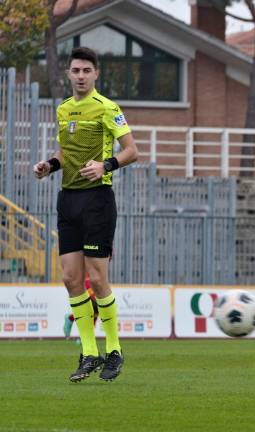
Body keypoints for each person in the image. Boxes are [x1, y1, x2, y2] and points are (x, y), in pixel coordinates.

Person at [34, 46, 138, 382]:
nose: (80, 76)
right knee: (70, 279)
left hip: (97, 200)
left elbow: (132, 151)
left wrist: (106, 165)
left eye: (86, 71)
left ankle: (114, 350)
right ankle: (89, 353)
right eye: (75, 71)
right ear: (68, 73)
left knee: (97, 277)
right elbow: (65, 152)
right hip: (68, 200)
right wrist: (49, 165)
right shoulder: (63, 109)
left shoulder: (108, 108)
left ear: (96, 74)